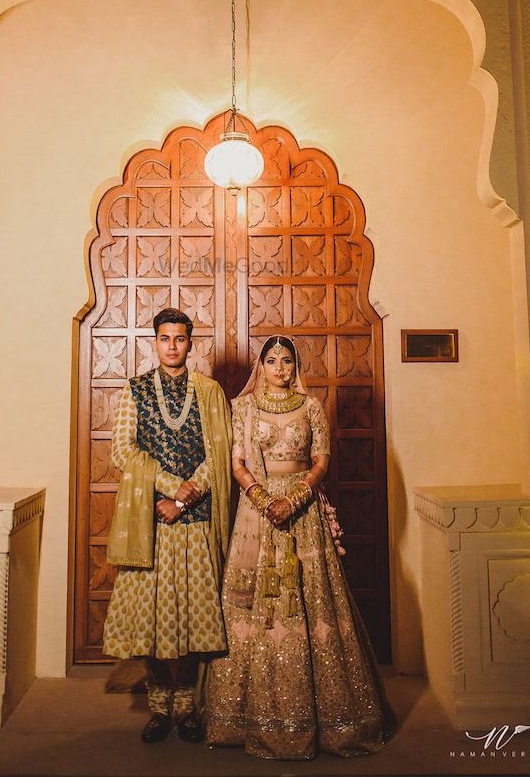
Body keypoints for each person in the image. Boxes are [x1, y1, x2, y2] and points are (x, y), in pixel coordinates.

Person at [207, 334, 395, 760]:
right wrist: (261, 498)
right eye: (271, 360)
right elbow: (236, 462)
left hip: (303, 510)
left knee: (312, 601)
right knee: (257, 604)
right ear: (262, 365)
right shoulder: (244, 407)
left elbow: (322, 460)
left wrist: (293, 497)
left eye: (286, 361)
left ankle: (329, 720)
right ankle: (241, 720)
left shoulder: (311, 407)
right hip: (256, 514)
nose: (279, 368)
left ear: (295, 366)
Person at [103, 308, 232, 744]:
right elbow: (123, 450)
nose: (172, 345)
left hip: (194, 521)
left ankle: (188, 708)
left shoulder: (210, 392)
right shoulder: (135, 390)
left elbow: (220, 452)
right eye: (164, 338)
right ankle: (159, 708)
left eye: (180, 338)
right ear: (153, 342)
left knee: (196, 621)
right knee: (149, 623)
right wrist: (170, 490)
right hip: (151, 521)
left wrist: (187, 496)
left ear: (191, 344)